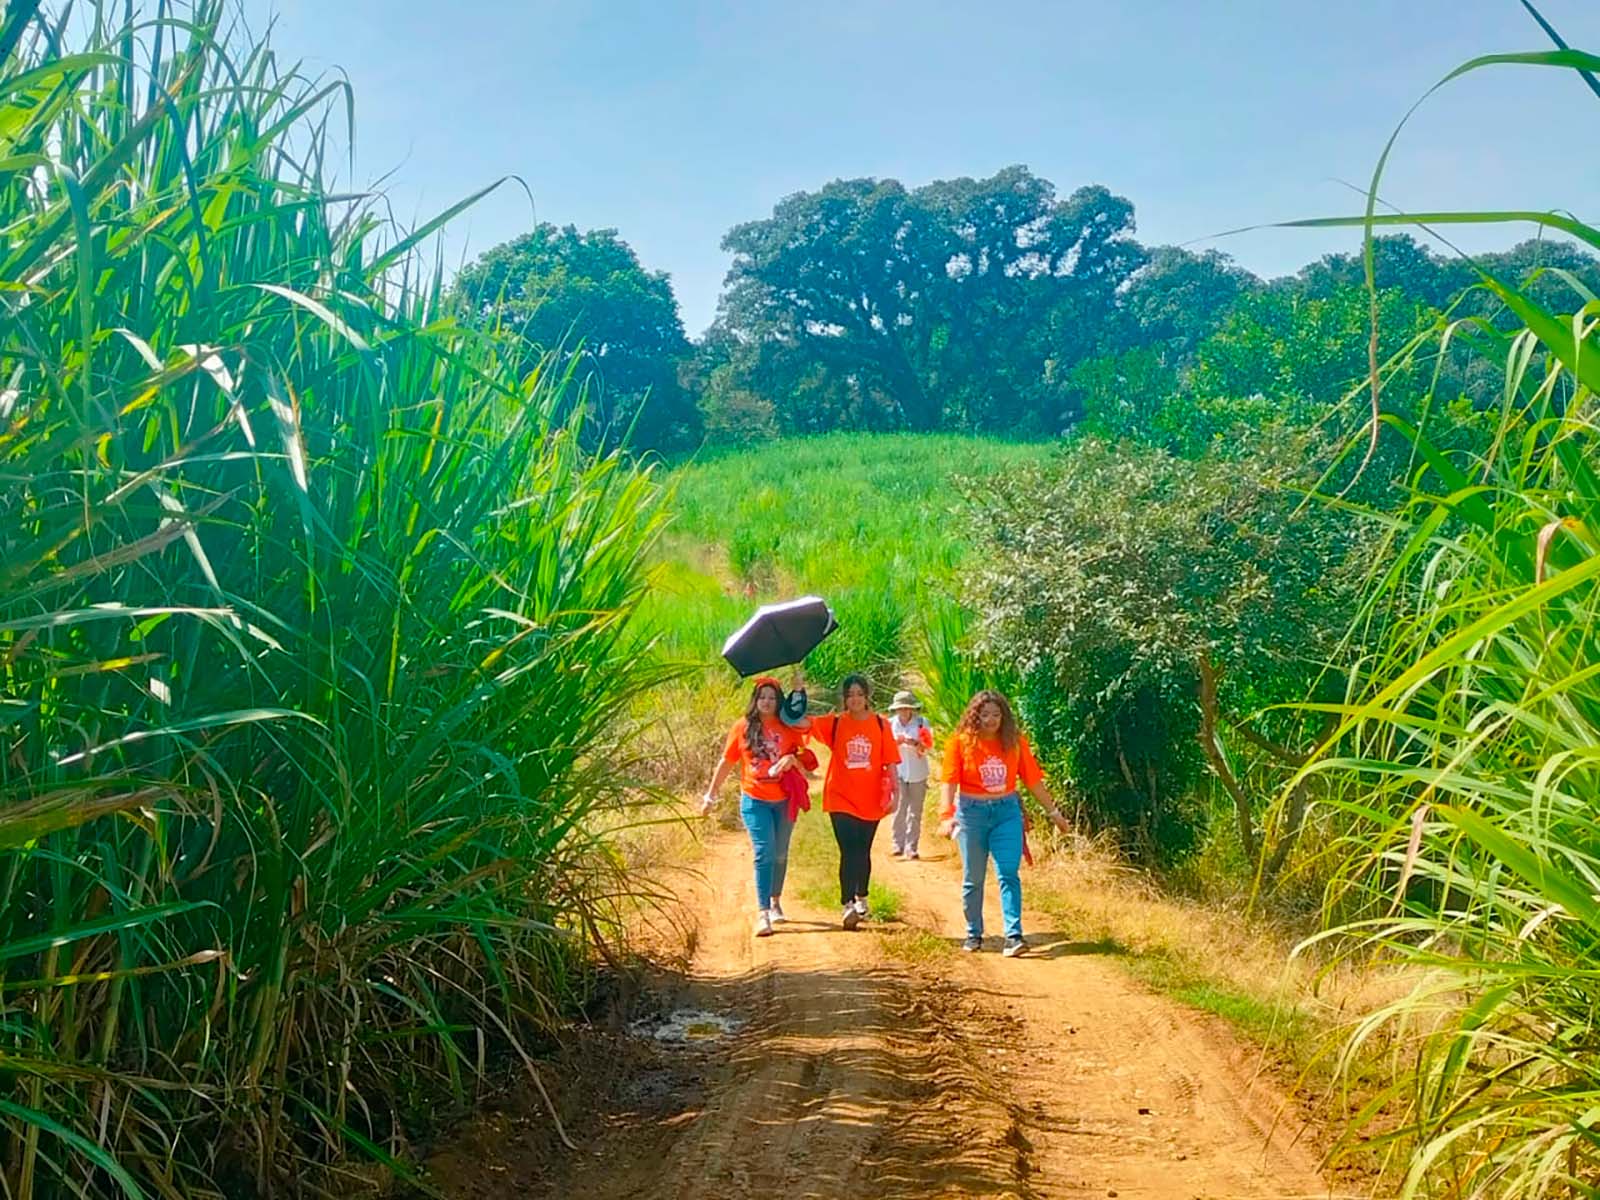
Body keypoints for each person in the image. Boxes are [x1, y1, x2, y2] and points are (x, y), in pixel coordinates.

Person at [937, 690, 1071, 957]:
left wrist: (1054, 813)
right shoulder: (960, 742)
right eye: (985, 714)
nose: (991, 720)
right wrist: (946, 816)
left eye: (996, 714)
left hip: (1006, 812)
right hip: (971, 814)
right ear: (975, 715)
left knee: (1008, 872)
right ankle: (973, 932)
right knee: (973, 878)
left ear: (1004, 716)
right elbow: (950, 781)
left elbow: (1033, 780)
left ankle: (1014, 935)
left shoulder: (1014, 742)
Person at [702, 675, 812, 938]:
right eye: (762, 697)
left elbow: (805, 756)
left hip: (784, 799)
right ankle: (763, 913)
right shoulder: (742, 727)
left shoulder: (787, 724)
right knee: (764, 851)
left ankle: (775, 901)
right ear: (755, 700)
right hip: (755, 799)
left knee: (780, 853)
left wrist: (791, 759)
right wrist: (710, 795)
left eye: (772, 698)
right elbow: (727, 761)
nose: (767, 702)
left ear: (778, 701)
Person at [806, 674, 900, 930]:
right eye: (850, 695)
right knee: (848, 850)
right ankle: (847, 904)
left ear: (867, 696)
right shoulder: (836, 723)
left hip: (871, 798)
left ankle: (862, 895)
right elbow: (804, 723)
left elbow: (890, 761)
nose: (855, 699)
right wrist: (797, 694)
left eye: (859, 693)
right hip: (840, 796)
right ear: (844, 698)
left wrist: (896, 793)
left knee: (863, 849)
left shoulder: (881, 725)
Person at [888, 690, 933, 858]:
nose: (904, 711)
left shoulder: (922, 723)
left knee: (915, 811)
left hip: (918, 772)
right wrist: (896, 742)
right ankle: (897, 843)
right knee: (899, 808)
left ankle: (911, 847)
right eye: (901, 708)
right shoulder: (890, 724)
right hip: (897, 770)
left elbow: (927, 745)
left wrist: (914, 743)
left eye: (907, 708)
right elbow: (884, 747)